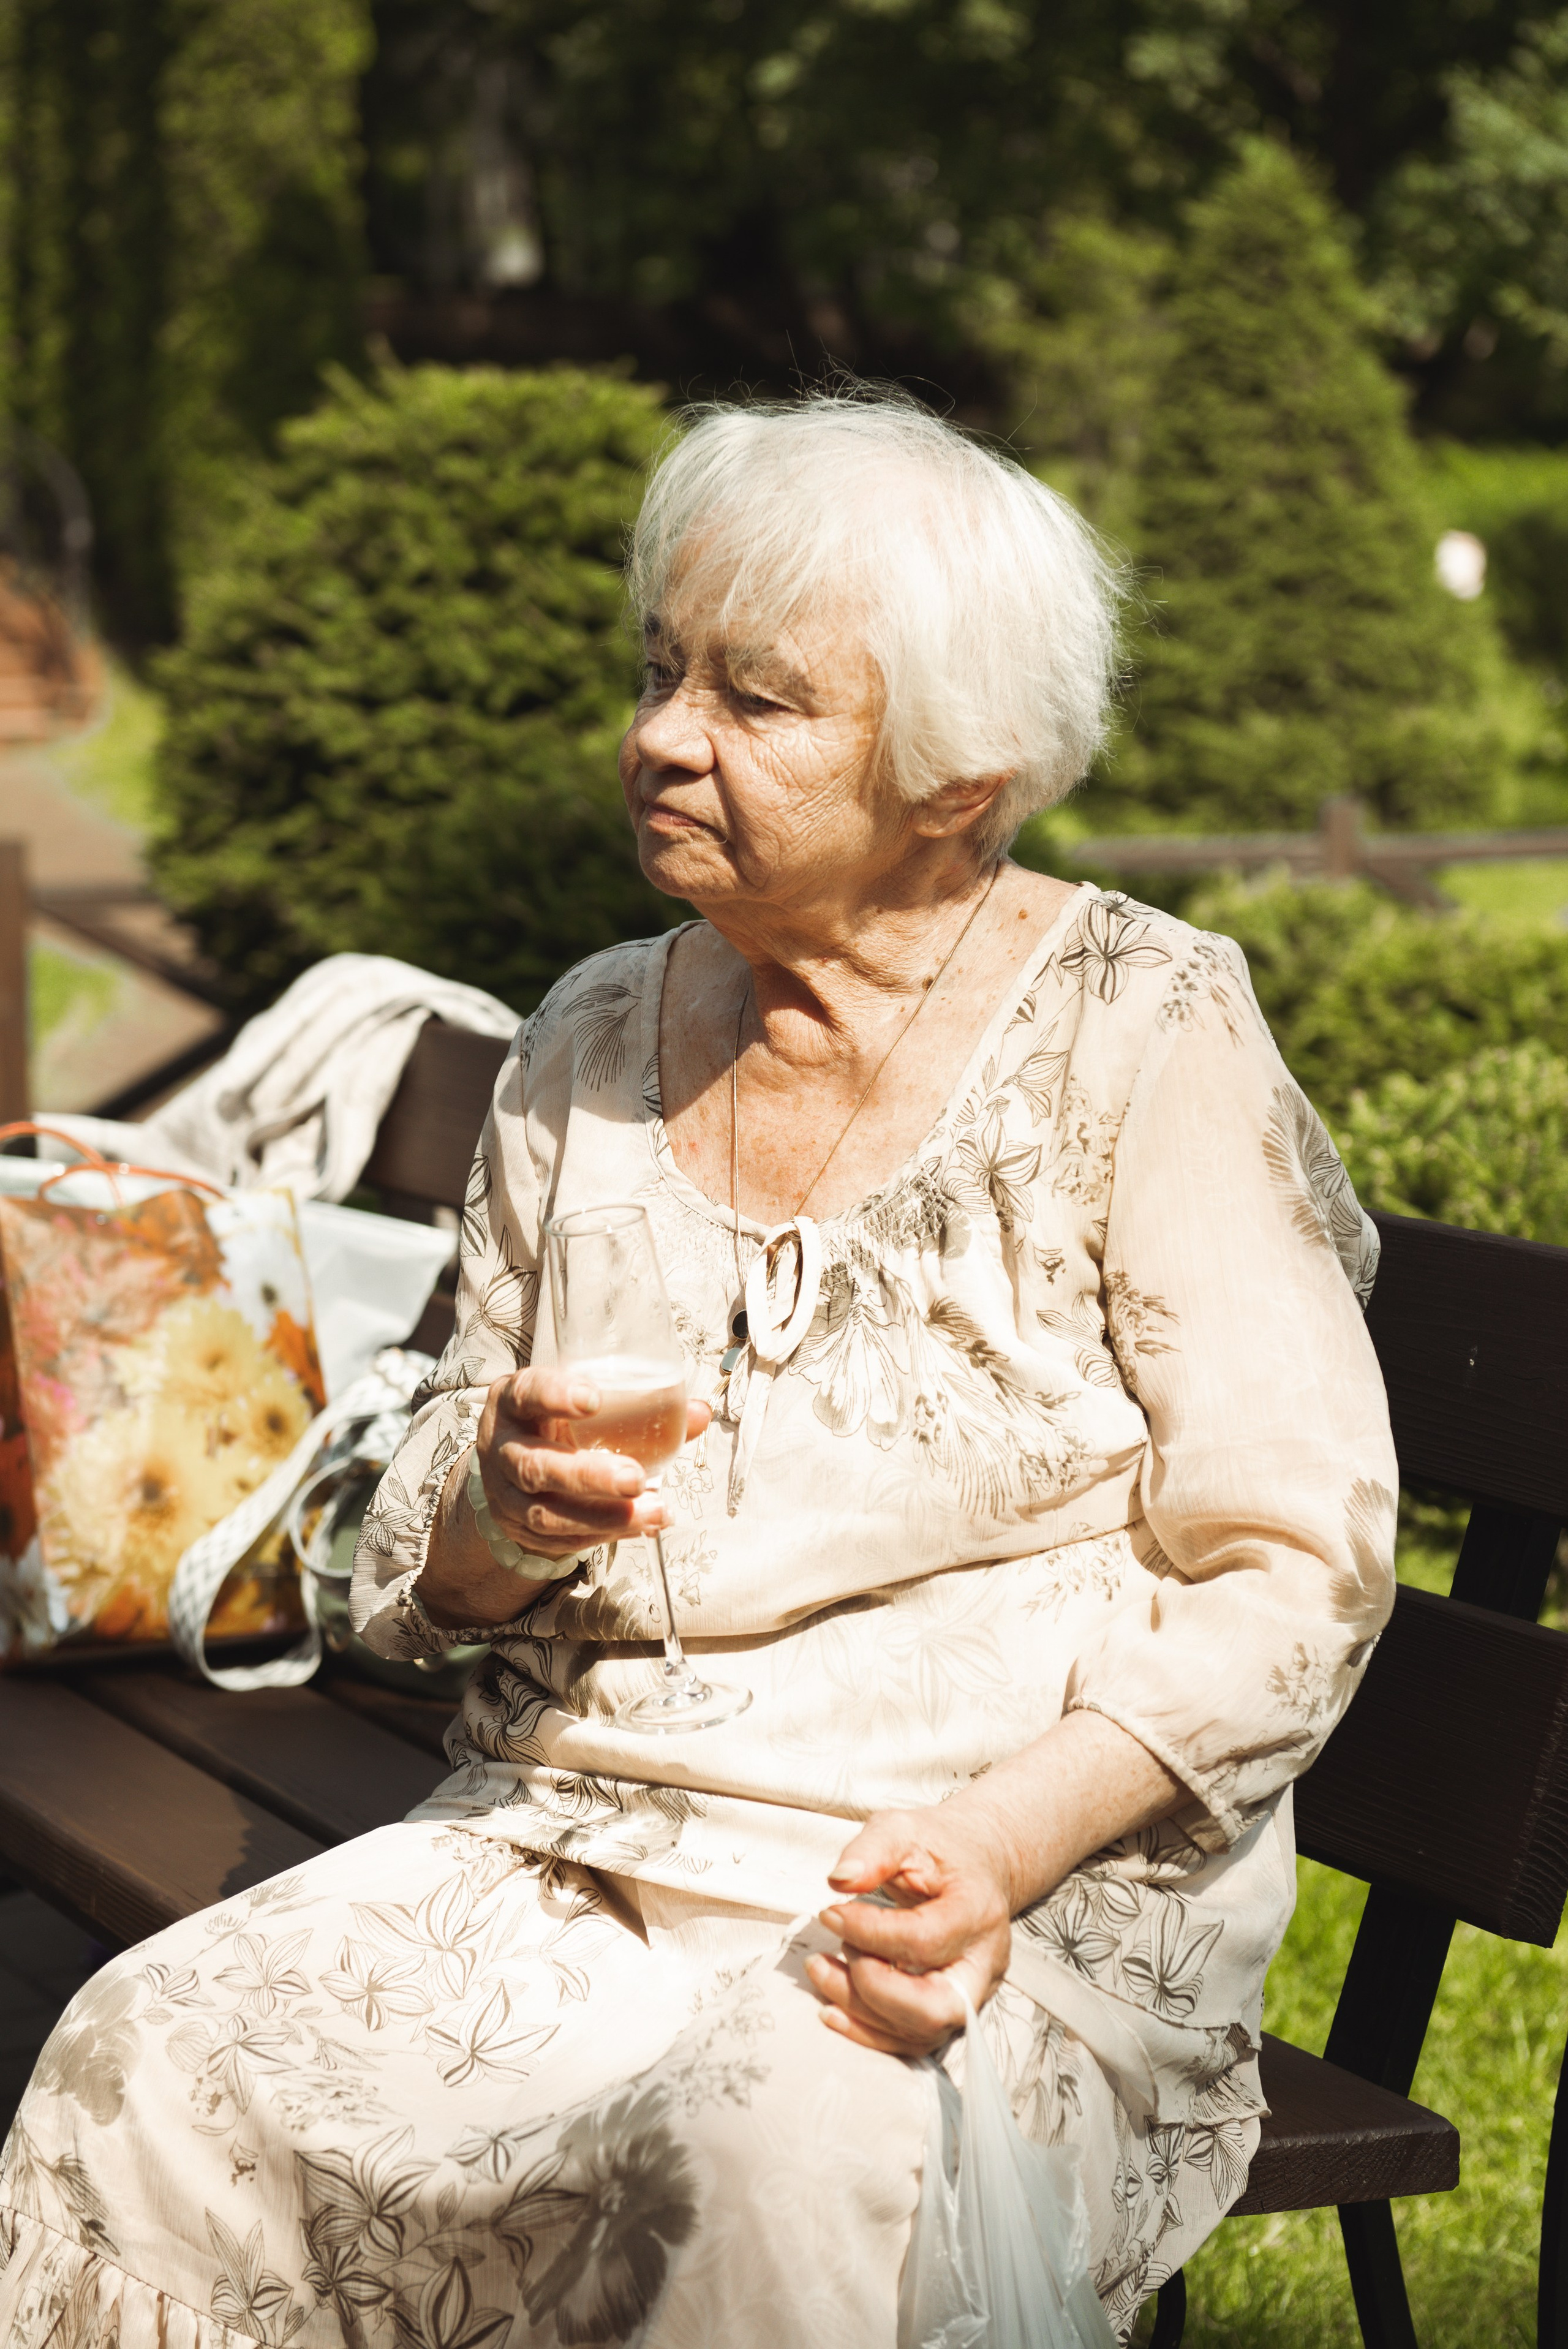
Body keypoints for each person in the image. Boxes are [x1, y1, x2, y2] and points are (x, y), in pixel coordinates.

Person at [0, 388, 1396, 2348]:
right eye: (663, 672)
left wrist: (997, 1845)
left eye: (757, 699)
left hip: (973, 1885)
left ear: (957, 775)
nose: (664, 734)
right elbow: (411, 1553)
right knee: (147, 2063)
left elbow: (1291, 1559)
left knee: (765, 2160)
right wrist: (492, 1500)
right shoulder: (584, 1040)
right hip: (579, 1841)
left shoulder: (1143, 1031)